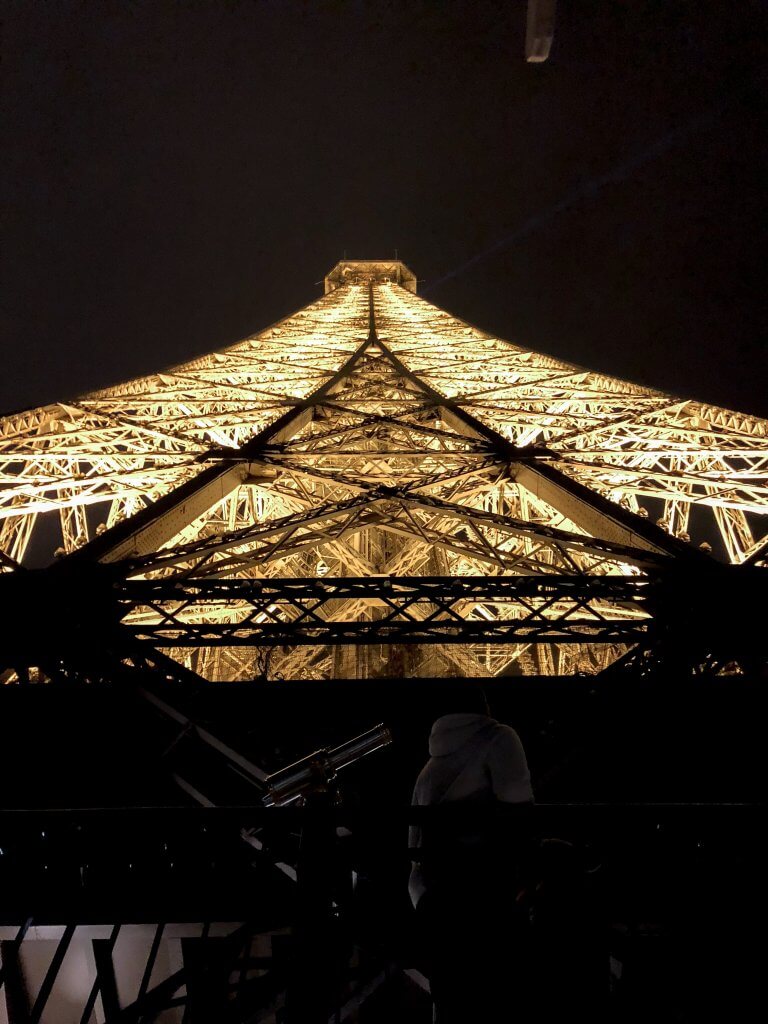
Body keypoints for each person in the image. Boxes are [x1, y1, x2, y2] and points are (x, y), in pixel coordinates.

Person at [409, 686, 535, 1022]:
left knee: (453, 1000)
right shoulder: (499, 739)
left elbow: (415, 847)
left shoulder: (428, 770)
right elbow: (518, 807)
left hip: (435, 896)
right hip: (486, 892)